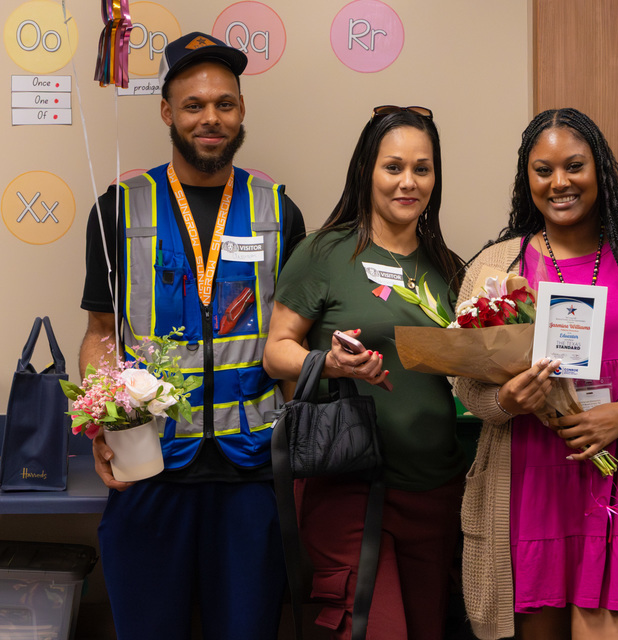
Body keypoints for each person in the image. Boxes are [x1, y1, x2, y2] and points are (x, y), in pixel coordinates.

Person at [79, 32, 306, 640]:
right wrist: (102, 425)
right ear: (167, 112)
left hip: (253, 474)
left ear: (240, 110)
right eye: (194, 105)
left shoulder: (280, 212)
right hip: (149, 468)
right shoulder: (118, 210)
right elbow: (101, 333)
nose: (211, 118)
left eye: (225, 104)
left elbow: (294, 341)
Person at [453, 107, 618, 640]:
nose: (560, 182)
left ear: (601, 170)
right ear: (527, 180)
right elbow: (465, 382)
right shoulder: (496, 268)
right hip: (528, 482)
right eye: (543, 170)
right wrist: (508, 401)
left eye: (574, 166)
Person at [262, 105, 467, 639]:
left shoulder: (449, 268)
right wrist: (327, 362)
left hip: (436, 489)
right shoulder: (325, 253)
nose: (409, 182)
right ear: (366, 172)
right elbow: (276, 351)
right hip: (351, 483)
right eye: (393, 167)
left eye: (422, 169)